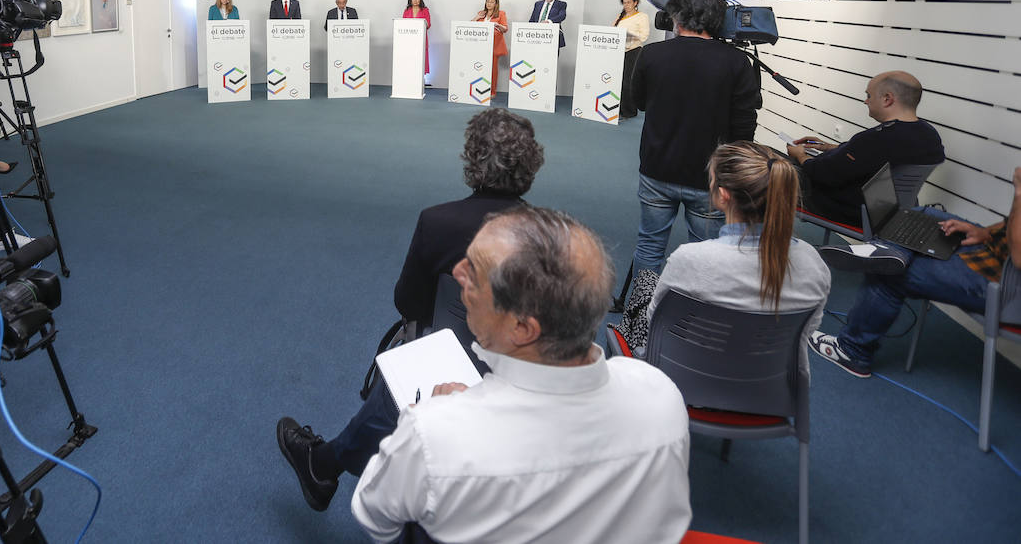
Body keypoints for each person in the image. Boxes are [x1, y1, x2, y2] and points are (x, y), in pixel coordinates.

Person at [350, 207, 692, 543]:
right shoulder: (661, 395)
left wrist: (438, 414)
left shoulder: (435, 434)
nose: (456, 272)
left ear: (522, 327)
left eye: (475, 272)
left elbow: (374, 517)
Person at [276, 109, 544, 512]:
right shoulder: (550, 234)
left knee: (404, 363)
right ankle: (328, 464)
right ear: (531, 165)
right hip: (521, 377)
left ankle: (325, 464)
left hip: (446, 364)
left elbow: (408, 302)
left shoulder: (438, 222)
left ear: (472, 161)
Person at [624, 0, 761, 320]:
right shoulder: (737, 62)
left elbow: (638, 102)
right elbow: (745, 125)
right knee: (708, 251)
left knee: (650, 246)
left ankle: (637, 316)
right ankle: (695, 317)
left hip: (657, 168)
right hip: (712, 179)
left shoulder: (653, 55)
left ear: (677, 17)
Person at [619, 141, 831, 356]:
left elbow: (656, 321)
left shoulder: (691, 259)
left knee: (645, 286)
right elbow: (808, 329)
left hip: (688, 374)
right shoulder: (813, 263)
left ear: (723, 196)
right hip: (769, 383)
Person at [810, 166, 1021, 378]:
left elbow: (1018, 257)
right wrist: (984, 233)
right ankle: (890, 250)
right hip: (993, 254)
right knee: (924, 214)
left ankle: (853, 352)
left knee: (888, 273)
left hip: (1006, 288)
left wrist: (1019, 191)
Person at [786, 71, 945, 225]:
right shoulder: (929, 135)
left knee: (772, 167)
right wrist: (829, 147)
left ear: (887, 99)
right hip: (890, 211)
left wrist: (800, 155)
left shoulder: (877, 139)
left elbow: (823, 174)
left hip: (851, 210)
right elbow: (873, 158)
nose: (866, 101)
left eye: (869, 96)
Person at [615, 0, 650, 119]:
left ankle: (629, 111)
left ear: (636, 3)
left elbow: (644, 35)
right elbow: (613, 30)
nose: (626, 5)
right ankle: (617, 108)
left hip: (633, 51)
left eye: (629, 2)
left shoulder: (642, 16)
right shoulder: (621, 16)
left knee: (628, 81)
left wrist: (629, 34)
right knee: (618, 80)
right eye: (624, 3)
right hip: (618, 51)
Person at [473, 0, 509, 94]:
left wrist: (498, 25)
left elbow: (505, 28)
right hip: (480, 46)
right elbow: (470, 25)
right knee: (479, 68)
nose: (489, 3)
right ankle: (479, 89)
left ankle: (492, 91)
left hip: (494, 46)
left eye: (492, 2)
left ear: (496, 4)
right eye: (488, 1)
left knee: (492, 69)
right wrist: (476, 18)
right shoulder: (481, 13)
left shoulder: (501, 14)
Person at [402, 0, 431, 76]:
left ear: (420, 0)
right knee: (410, 61)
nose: (415, 0)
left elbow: (428, 24)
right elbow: (403, 23)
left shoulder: (425, 10)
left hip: (420, 39)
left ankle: (420, 79)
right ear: (410, 0)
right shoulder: (407, 11)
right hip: (409, 39)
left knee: (420, 62)